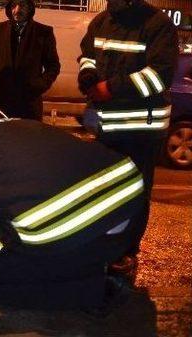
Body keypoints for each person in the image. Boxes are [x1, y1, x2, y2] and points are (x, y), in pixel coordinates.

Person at [0, 113, 146, 317]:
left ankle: (97, 288)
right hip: (133, 207)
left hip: (82, 235)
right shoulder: (9, 124)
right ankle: (105, 263)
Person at [77, 0, 178, 278]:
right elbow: (87, 54)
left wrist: (109, 89)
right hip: (107, 127)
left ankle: (126, 253)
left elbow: (160, 76)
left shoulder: (157, 24)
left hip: (141, 130)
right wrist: (87, 75)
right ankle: (105, 245)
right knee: (105, 190)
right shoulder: (102, 21)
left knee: (134, 192)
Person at [0, 0, 60, 121]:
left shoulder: (43, 32)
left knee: (26, 139)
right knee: (0, 138)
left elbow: (53, 65)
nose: (17, 10)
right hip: (2, 102)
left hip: (29, 105)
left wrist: (40, 85)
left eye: (22, 5)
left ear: (30, 8)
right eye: (13, 6)